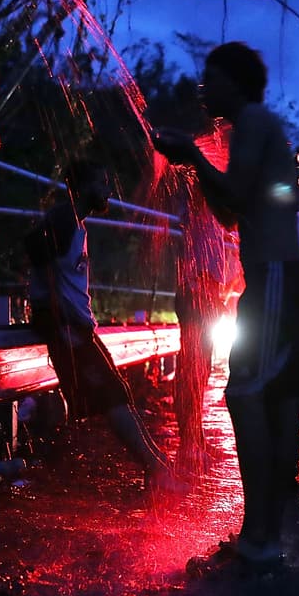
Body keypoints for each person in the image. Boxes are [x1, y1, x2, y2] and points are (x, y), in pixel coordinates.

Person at [152, 41, 299, 574]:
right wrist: (195, 166)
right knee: (274, 401)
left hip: (272, 281)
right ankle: (263, 536)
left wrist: (193, 156)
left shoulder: (251, 123)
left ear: (236, 82)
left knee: (246, 396)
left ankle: (260, 541)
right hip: (278, 281)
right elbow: (229, 217)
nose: (204, 89)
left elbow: (239, 199)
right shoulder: (259, 126)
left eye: (211, 78)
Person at [24, 158, 184, 494]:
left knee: (119, 393)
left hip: (79, 327)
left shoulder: (75, 221)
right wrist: (56, 320)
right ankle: (158, 472)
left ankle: (159, 468)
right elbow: (37, 254)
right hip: (68, 327)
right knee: (111, 397)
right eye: (102, 182)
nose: (108, 190)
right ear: (83, 187)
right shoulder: (64, 217)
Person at [172, 175, 238, 474]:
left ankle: (194, 440)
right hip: (197, 292)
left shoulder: (208, 215)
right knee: (193, 370)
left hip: (202, 292)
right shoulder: (200, 209)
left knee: (198, 370)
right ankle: (189, 444)